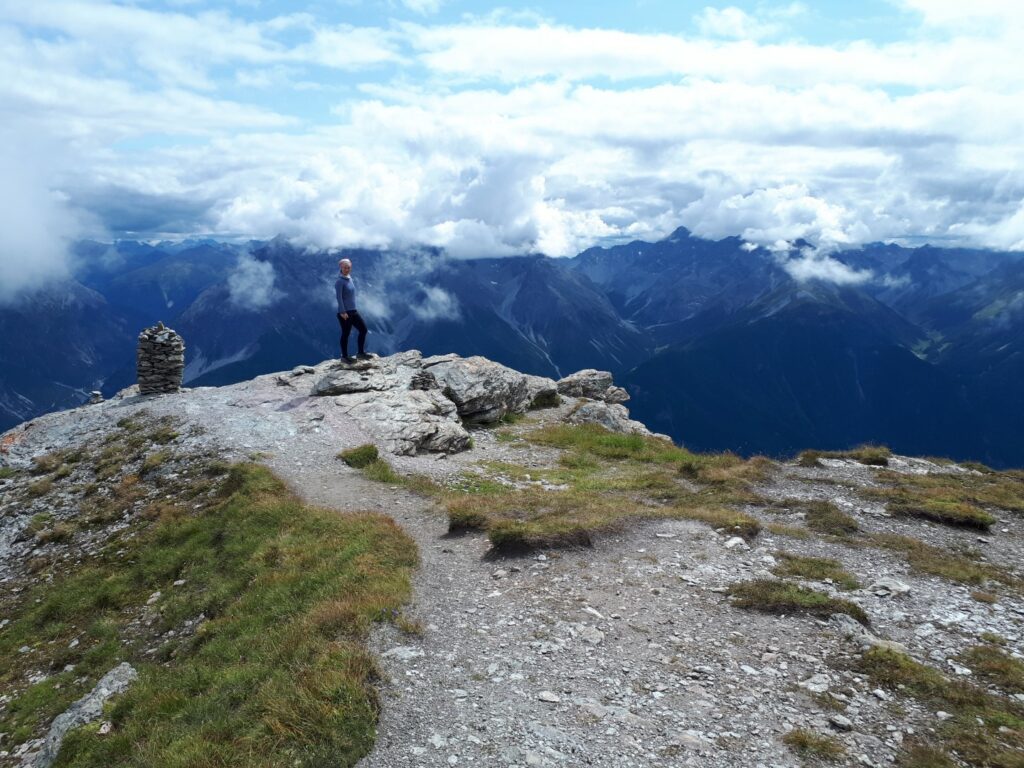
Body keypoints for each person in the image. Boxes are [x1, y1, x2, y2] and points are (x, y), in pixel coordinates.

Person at [335, 258, 369, 363]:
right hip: (345, 313)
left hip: (353, 311)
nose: (347, 269)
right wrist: (342, 311)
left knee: (363, 330)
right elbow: (339, 297)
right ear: (341, 268)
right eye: (345, 267)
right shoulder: (339, 282)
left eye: (349, 267)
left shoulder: (349, 279)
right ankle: (344, 357)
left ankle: (360, 353)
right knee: (346, 333)